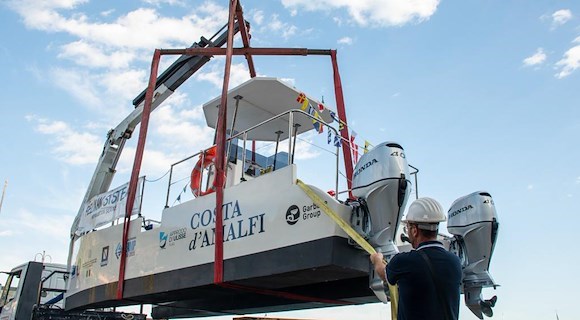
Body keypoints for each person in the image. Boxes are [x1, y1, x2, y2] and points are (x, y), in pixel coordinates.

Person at [370, 197, 462, 320]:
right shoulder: (455, 262)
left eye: (408, 227)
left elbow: (383, 273)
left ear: (414, 231)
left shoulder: (404, 261)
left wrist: (377, 259)